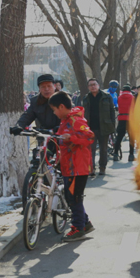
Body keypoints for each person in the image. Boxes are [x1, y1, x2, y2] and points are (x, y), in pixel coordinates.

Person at [48, 92, 95, 242]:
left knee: (74, 198)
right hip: (69, 166)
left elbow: (89, 137)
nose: (54, 113)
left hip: (78, 167)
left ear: (62, 106)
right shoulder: (65, 121)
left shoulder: (76, 120)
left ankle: (78, 228)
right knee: (72, 197)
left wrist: (72, 138)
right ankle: (85, 223)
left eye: (54, 109)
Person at [83, 78, 116, 176]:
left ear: (98, 85)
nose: (93, 86)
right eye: (90, 85)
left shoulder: (106, 97)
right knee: (90, 150)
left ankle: (102, 167)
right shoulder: (86, 98)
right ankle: (91, 168)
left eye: (94, 84)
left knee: (103, 149)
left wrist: (112, 127)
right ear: (88, 87)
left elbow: (112, 112)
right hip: (90, 128)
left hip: (104, 127)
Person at [113, 84, 135, 162]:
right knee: (131, 138)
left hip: (121, 118)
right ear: (129, 90)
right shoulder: (133, 98)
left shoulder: (119, 98)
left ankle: (115, 154)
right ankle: (131, 155)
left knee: (119, 138)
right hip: (131, 119)